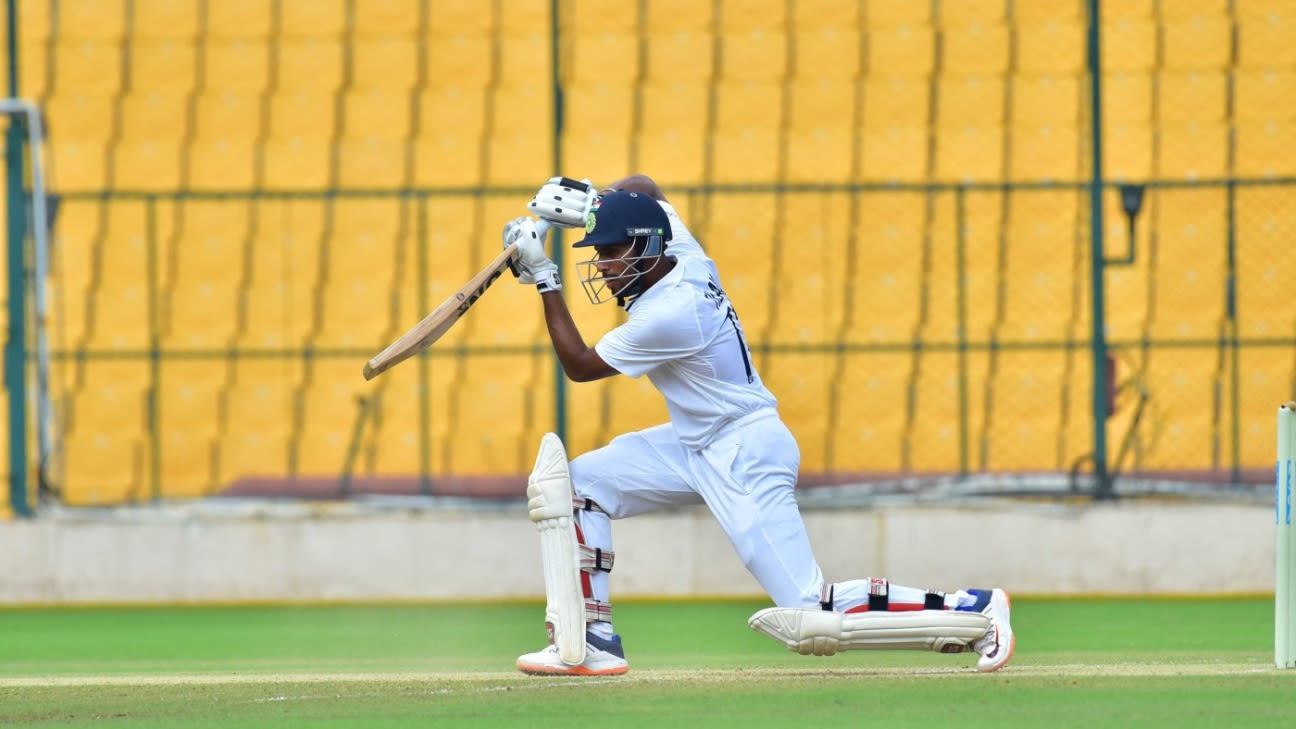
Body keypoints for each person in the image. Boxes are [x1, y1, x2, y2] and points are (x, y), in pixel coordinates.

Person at [501, 174, 1015, 676]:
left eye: (614, 252)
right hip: (694, 442)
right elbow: (646, 186)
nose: (605, 267)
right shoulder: (682, 253)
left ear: (647, 247)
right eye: (601, 252)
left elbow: (581, 367)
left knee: (808, 612)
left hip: (743, 449)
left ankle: (974, 608)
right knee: (581, 485)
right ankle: (593, 643)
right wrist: (597, 203)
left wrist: (545, 276)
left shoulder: (674, 313)